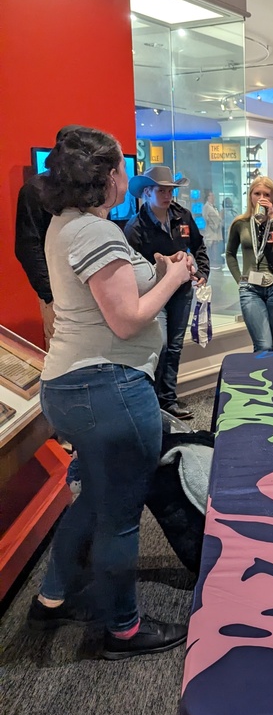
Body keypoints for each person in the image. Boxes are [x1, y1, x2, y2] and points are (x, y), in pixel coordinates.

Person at [26, 126, 193, 659]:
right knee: (121, 514)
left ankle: (52, 598)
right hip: (109, 388)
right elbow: (127, 320)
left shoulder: (68, 225)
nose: (128, 173)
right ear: (106, 177)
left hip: (77, 386)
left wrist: (156, 270)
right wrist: (176, 276)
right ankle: (122, 629)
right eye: (123, 165)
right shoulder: (97, 235)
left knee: (96, 498)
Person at [124, 166, 209, 421]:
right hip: (154, 294)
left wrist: (202, 270)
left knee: (173, 346)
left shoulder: (182, 216)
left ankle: (168, 401)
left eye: (170, 190)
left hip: (182, 290)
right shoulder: (135, 226)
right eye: (161, 190)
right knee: (158, 345)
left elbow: (198, 244)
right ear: (147, 193)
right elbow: (131, 267)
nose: (167, 195)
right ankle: (152, 401)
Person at [14, 125, 84, 349]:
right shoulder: (36, 190)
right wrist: (49, 294)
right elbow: (28, 245)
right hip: (57, 288)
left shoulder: (85, 190)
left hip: (87, 284)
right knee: (63, 351)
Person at [226, 177, 273, 351]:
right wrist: (239, 280)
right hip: (250, 289)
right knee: (264, 344)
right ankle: (262, 378)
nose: (261, 198)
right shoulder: (240, 223)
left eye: (267, 195)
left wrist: (272, 217)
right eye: (257, 194)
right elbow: (230, 254)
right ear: (250, 196)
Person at [202, 191, 223, 269]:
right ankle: (212, 262)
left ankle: (215, 262)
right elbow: (207, 218)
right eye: (211, 196)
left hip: (216, 230)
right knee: (211, 245)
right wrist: (213, 225)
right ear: (208, 197)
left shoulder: (213, 206)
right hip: (211, 231)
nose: (213, 197)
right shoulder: (207, 207)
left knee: (215, 245)